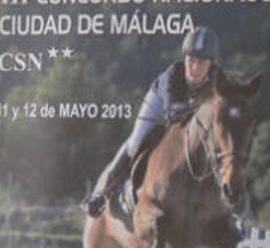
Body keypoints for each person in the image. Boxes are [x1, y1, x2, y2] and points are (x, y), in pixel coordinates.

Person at [82, 26, 222, 218]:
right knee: (134, 143)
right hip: (159, 105)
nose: (195, 68)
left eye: (201, 62)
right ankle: (101, 194)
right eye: (191, 60)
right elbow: (172, 114)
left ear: (211, 64)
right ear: (184, 58)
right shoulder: (174, 73)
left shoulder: (218, 79)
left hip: (192, 118)